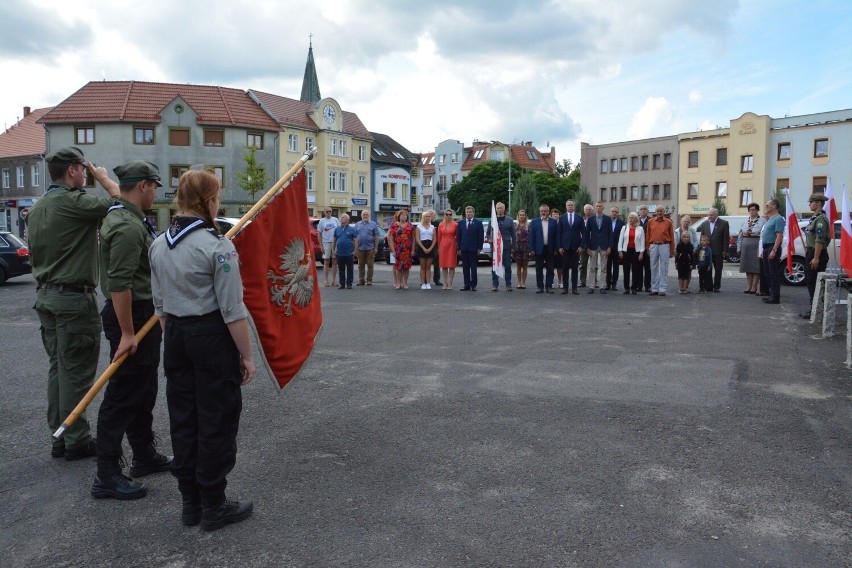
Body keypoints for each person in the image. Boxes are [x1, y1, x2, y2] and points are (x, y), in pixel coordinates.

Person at [148, 169, 254, 531]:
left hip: (175, 333)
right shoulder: (217, 245)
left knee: (184, 417)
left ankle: (190, 502)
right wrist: (247, 355)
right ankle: (213, 503)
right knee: (216, 417)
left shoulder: (159, 243)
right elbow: (232, 310)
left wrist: (179, 334)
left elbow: (160, 307)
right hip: (210, 334)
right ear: (209, 200)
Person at [27, 146, 120, 461]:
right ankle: (77, 440)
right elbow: (121, 205)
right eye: (84, 169)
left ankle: (60, 435)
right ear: (72, 171)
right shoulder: (74, 202)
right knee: (76, 372)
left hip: (46, 297)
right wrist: (105, 180)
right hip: (72, 300)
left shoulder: (39, 207)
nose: (87, 174)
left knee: (59, 369)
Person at [92, 161, 172, 501]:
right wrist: (127, 333)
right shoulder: (126, 226)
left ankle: (143, 455)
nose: (157, 191)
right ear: (142, 186)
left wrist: (103, 178)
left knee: (143, 388)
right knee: (123, 393)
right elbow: (120, 285)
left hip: (142, 314)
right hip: (132, 316)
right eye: (154, 184)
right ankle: (107, 474)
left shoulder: (124, 208)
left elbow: (116, 191)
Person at [800, 194, 831, 318]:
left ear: (818, 203)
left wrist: (816, 257)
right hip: (811, 252)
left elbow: (819, 240)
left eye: (811, 202)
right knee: (811, 281)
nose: (809, 204)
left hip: (817, 253)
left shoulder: (820, 220)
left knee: (814, 282)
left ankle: (816, 309)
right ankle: (814, 308)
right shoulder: (814, 218)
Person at [696, 208, 729, 292]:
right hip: (706, 251)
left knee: (718, 270)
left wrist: (725, 250)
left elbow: (726, 238)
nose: (709, 216)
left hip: (718, 251)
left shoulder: (724, 223)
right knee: (708, 269)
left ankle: (717, 286)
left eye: (711, 215)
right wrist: (701, 248)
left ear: (716, 215)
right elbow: (702, 237)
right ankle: (709, 286)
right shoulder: (704, 224)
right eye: (708, 215)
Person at [761, 198, 785, 305]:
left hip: (772, 246)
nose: (766, 207)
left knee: (773, 273)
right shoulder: (770, 219)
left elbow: (779, 236)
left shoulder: (778, 219)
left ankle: (775, 296)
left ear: (774, 206)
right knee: (767, 272)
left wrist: (774, 250)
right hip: (766, 247)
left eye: (768, 205)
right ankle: (772, 294)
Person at [557, 200, 584, 295]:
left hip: (576, 247)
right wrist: (559, 247)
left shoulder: (579, 218)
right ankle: (565, 288)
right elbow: (559, 233)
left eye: (572, 205)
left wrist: (581, 246)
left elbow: (584, 234)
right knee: (564, 268)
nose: (570, 206)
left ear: (574, 206)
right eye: (568, 205)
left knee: (575, 268)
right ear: (566, 206)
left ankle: (574, 288)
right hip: (564, 247)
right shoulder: (561, 218)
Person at [584, 202, 613, 294]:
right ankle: (591, 286)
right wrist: (587, 247)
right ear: (595, 208)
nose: (598, 207)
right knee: (592, 267)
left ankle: (602, 286)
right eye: (597, 206)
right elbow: (587, 234)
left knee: (603, 268)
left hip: (604, 246)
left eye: (600, 206)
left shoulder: (608, 219)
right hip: (593, 245)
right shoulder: (590, 219)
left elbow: (610, 234)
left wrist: (609, 247)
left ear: (603, 208)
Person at [646, 205, 675, 296]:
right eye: (657, 211)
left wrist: (672, 250)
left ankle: (662, 289)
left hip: (664, 245)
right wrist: (647, 248)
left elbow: (672, 237)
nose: (659, 213)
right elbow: (648, 235)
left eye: (661, 211)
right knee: (653, 267)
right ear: (655, 212)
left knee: (664, 267)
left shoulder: (668, 222)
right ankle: (654, 288)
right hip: (653, 245)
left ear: (664, 212)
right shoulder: (650, 221)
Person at [529, 204, 557, 293]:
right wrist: (532, 249)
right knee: (539, 268)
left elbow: (556, 237)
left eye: (545, 211)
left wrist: (556, 249)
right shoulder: (534, 222)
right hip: (538, 249)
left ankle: (549, 286)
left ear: (548, 212)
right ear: (540, 212)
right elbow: (532, 237)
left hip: (550, 248)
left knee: (550, 269)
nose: (543, 212)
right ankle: (540, 286)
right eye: (542, 211)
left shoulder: (554, 222)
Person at [737, 203, 765, 294]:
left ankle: (754, 287)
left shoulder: (762, 221)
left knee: (755, 267)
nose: (752, 211)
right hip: (746, 244)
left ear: (757, 210)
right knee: (747, 266)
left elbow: (762, 234)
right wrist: (739, 247)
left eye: (754, 209)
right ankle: (748, 286)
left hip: (756, 243)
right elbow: (740, 235)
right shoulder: (745, 221)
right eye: (750, 210)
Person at [488, 202, 515, 291]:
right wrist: (489, 239)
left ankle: (508, 284)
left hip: (506, 246)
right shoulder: (492, 219)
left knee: (507, 266)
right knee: (495, 266)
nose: (499, 209)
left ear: (504, 209)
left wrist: (514, 246)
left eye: (501, 208)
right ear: (496, 209)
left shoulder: (509, 220)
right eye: (498, 208)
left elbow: (513, 234)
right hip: (495, 248)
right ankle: (495, 284)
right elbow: (488, 233)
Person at [456, 205, 484, 291]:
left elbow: (481, 237)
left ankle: (473, 285)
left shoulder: (478, 223)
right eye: (467, 212)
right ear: (465, 213)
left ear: (473, 213)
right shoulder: (460, 223)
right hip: (464, 249)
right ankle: (466, 285)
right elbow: (458, 237)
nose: (468, 214)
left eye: (470, 212)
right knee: (465, 268)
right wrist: (459, 248)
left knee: (473, 268)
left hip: (474, 249)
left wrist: (480, 248)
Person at [617, 212, 645, 294]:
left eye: (633, 217)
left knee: (635, 270)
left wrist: (641, 253)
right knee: (626, 270)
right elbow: (620, 240)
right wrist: (620, 251)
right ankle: (626, 288)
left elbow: (642, 242)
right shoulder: (624, 227)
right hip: (626, 251)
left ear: (636, 219)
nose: (631, 219)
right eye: (630, 217)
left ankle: (634, 288)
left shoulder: (640, 229)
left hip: (636, 251)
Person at [388, 209, 415, 289]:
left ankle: (405, 283)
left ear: (407, 217)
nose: (403, 216)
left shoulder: (410, 226)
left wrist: (413, 250)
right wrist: (393, 250)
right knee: (398, 267)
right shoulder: (394, 225)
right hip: (398, 249)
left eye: (405, 215)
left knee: (406, 267)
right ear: (399, 216)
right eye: (402, 215)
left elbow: (413, 239)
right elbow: (391, 239)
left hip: (407, 250)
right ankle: (399, 283)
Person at [353, 210, 379, 286]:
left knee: (370, 265)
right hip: (360, 248)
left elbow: (376, 236)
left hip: (370, 248)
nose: (365, 215)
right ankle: (361, 280)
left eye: (366, 214)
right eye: (364, 214)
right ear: (361, 215)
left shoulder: (373, 224)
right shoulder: (357, 224)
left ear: (369, 215)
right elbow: (354, 237)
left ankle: (369, 280)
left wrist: (376, 247)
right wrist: (355, 248)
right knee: (360, 265)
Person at [332, 214, 358, 289]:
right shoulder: (337, 229)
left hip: (349, 253)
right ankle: (342, 284)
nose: (341, 219)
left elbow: (355, 241)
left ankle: (349, 283)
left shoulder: (352, 229)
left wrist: (355, 251)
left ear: (347, 219)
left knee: (350, 269)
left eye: (343, 217)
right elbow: (334, 240)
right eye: (341, 217)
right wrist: (333, 250)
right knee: (341, 269)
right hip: (339, 253)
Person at [317, 208, 340, 287]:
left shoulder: (335, 220)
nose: (329, 213)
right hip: (326, 242)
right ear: (324, 212)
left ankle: (334, 280)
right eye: (327, 211)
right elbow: (319, 234)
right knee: (326, 262)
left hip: (335, 242)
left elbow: (339, 230)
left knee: (334, 261)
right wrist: (321, 246)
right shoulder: (322, 221)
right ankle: (326, 280)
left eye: (330, 211)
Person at [437, 209, 458, 290]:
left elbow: (458, 237)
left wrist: (457, 246)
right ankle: (445, 283)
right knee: (444, 265)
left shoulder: (455, 225)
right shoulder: (440, 225)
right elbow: (439, 237)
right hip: (443, 245)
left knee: (451, 265)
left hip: (452, 245)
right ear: (444, 215)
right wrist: (439, 248)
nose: (448, 216)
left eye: (450, 214)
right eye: (447, 214)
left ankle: (450, 283)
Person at [415, 211, 437, 289]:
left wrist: (431, 248)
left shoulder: (432, 227)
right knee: (423, 266)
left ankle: (428, 283)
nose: (428, 218)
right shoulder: (419, 227)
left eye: (429, 216)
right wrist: (423, 248)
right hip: (422, 246)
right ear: (423, 217)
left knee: (428, 266)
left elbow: (434, 239)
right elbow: (417, 239)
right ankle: (423, 283)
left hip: (430, 246)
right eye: (426, 216)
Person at [606, 206, 625, 291]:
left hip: (617, 248)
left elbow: (624, 237)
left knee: (616, 267)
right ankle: (608, 283)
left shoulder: (622, 223)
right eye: (613, 211)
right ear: (610, 212)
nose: (614, 213)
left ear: (618, 213)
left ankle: (614, 284)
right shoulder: (606, 222)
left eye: (616, 212)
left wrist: (622, 249)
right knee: (607, 266)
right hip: (607, 248)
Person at [512, 210, 531, 289]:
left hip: (526, 247)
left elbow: (531, 237)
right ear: (518, 216)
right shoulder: (514, 225)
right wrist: (512, 247)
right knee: (518, 266)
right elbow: (512, 237)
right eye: (520, 215)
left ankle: (523, 283)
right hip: (517, 247)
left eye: (523, 215)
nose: (522, 216)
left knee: (525, 266)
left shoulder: (529, 225)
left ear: (525, 216)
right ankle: (519, 283)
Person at [675, 230, 695, 294]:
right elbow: (677, 255)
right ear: (681, 238)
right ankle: (680, 288)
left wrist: (692, 263)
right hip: (680, 263)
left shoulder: (691, 246)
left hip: (688, 264)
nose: (686, 238)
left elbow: (692, 256)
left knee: (686, 276)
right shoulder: (679, 245)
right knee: (680, 276)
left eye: (687, 237)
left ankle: (684, 288)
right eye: (684, 237)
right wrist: (676, 262)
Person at [637, 204, 652, 292]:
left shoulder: (651, 220)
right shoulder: (636, 220)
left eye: (644, 209)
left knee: (648, 268)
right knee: (638, 268)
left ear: (647, 211)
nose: (643, 210)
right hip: (638, 248)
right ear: (639, 211)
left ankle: (648, 286)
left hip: (648, 247)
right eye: (641, 209)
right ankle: (639, 286)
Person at [579, 204, 593, 287]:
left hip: (593, 244)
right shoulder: (581, 220)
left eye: (590, 209)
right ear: (584, 211)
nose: (588, 211)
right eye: (587, 209)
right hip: (583, 244)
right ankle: (582, 281)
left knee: (593, 265)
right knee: (583, 264)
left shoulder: (594, 219)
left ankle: (594, 282)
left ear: (592, 211)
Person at [429, 209, 443, 287]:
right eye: (429, 214)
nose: (430, 216)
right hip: (426, 245)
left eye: (431, 214)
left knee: (436, 264)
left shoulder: (438, 224)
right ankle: (425, 280)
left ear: (434, 216)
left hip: (436, 246)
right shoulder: (424, 224)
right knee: (425, 264)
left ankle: (436, 279)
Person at [550, 208, 563, 289]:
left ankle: (560, 281)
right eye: (554, 214)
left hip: (560, 248)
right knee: (550, 267)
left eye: (557, 214)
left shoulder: (561, 223)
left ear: (559, 215)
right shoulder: (549, 223)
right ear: (551, 215)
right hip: (551, 248)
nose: (555, 215)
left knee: (560, 267)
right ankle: (551, 282)